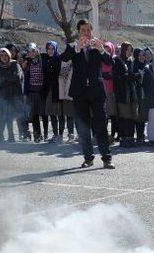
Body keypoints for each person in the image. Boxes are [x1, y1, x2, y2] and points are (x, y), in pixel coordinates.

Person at [60, 19, 114, 168]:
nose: (86, 33)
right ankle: (88, 158)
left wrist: (102, 49)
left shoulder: (96, 45)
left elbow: (110, 62)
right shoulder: (73, 47)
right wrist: (77, 48)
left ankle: (106, 158)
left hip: (97, 92)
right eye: (83, 30)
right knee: (83, 127)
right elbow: (63, 58)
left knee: (101, 125)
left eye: (88, 30)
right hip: (80, 93)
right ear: (78, 32)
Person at [0, 48, 23, 143]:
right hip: (4, 95)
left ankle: (23, 135)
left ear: (9, 56)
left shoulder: (14, 64)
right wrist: (7, 79)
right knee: (6, 116)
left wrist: (5, 79)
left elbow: (17, 77)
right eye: (2, 56)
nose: (4, 57)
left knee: (19, 115)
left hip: (15, 94)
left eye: (6, 55)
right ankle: (10, 136)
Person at [114, 42, 139, 147]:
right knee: (124, 116)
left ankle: (131, 137)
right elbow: (117, 77)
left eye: (131, 50)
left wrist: (133, 76)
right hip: (122, 93)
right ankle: (124, 138)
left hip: (132, 93)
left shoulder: (131, 62)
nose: (129, 52)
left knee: (132, 115)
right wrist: (132, 76)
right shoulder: (117, 61)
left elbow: (131, 75)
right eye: (128, 50)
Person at [22, 43, 46, 143]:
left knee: (44, 114)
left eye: (33, 50)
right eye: (30, 51)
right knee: (34, 114)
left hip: (41, 91)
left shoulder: (42, 60)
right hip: (31, 91)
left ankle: (46, 135)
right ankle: (37, 135)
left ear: (37, 51)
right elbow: (25, 77)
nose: (32, 53)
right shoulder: (27, 62)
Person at [43, 41, 62, 143]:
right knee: (52, 113)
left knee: (59, 113)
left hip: (57, 90)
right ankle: (55, 134)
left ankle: (61, 135)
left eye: (52, 49)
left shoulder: (59, 59)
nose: (50, 51)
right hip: (48, 90)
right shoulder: (46, 60)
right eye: (48, 49)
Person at [58, 58, 76, 142]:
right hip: (68, 93)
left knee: (80, 116)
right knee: (69, 115)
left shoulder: (80, 61)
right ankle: (70, 134)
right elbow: (62, 78)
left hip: (79, 94)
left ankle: (81, 135)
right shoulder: (66, 64)